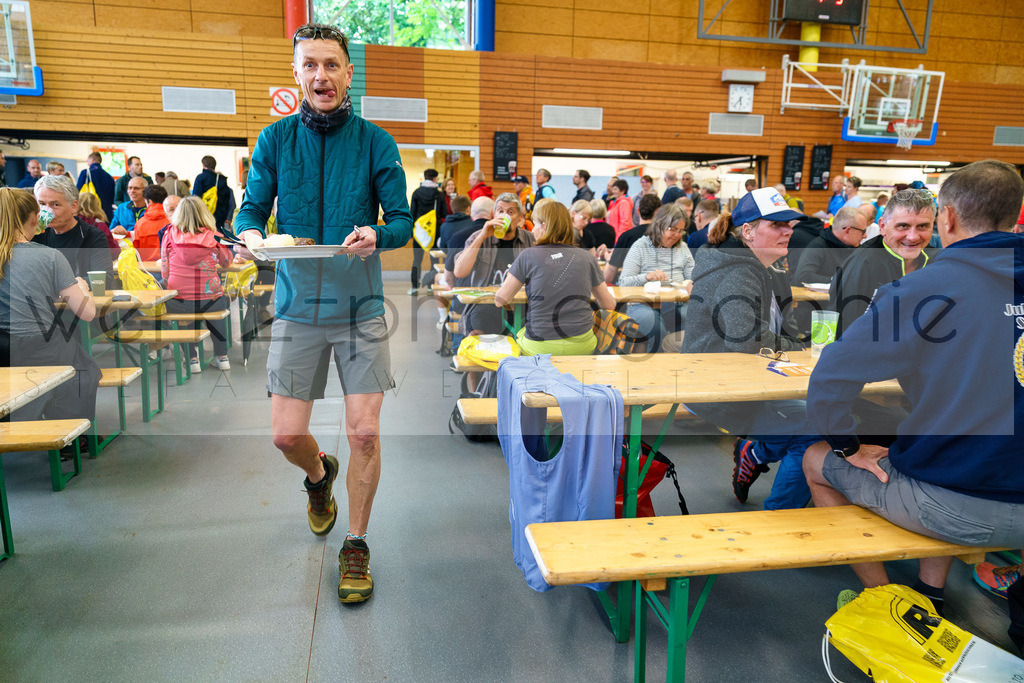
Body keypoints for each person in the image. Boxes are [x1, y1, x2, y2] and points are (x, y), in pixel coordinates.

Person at [232, 22, 413, 604]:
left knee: (363, 432)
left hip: (360, 305)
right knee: (287, 436)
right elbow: (249, 211)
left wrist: (378, 234)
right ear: (295, 74)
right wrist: (253, 235)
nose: (321, 75)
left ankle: (356, 543)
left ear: (348, 72)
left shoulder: (376, 142)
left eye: (332, 64)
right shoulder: (274, 140)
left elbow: (405, 222)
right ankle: (318, 477)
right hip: (297, 306)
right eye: (310, 65)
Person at [803, 159, 1024, 615]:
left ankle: (886, 605)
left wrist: (849, 448)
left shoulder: (924, 288)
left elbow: (830, 377)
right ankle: (930, 595)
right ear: (1015, 215)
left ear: (947, 218)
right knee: (933, 448)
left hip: (961, 503)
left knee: (816, 458)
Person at [682, 187, 816, 510]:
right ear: (748, 232)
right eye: (777, 225)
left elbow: (786, 327)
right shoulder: (739, 271)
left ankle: (754, 452)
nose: (789, 230)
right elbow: (748, 341)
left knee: (826, 418)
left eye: (790, 224)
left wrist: (800, 345)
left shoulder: (771, 268)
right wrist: (802, 351)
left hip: (755, 378)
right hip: (718, 389)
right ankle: (778, 519)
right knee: (815, 433)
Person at [1, 187, 100, 454]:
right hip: (39, 345)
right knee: (85, 369)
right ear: (35, 219)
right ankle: (72, 441)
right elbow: (87, 313)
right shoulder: (49, 257)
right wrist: (83, 288)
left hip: (3, 348)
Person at [495, 200, 614, 356]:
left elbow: (500, 300)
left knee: (518, 334)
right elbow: (609, 304)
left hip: (540, 346)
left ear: (544, 227)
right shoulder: (587, 258)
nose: (533, 231)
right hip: (582, 346)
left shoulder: (528, 256)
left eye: (535, 225)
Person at [829, 188, 936, 338]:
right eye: (903, 226)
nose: (913, 237)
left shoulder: (939, 262)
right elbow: (844, 332)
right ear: (883, 226)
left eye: (922, 226)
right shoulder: (860, 264)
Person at [161, 196, 233, 372]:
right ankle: (222, 356)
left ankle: (192, 358)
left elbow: (165, 271)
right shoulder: (215, 236)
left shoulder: (169, 234)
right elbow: (226, 262)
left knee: (184, 309)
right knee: (218, 302)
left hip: (179, 300)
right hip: (210, 300)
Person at [453, 192, 534, 336]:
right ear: (493, 214)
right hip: (487, 304)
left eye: (510, 212)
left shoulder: (530, 240)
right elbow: (459, 272)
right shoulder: (480, 237)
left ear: (520, 217)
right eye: (500, 211)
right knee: (476, 331)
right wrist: (482, 236)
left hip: (522, 304)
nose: (504, 216)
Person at [618, 203, 695, 352]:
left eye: (681, 231)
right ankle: (659, 370)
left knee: (693, 320)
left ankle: (686, 367)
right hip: (643, 305)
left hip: (677, 304)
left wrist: (690, 284)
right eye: (672, 229)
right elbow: (623, 283)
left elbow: (693, 278)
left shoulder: (683, 248)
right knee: (656, 327)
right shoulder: (640, 247)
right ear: (659, 225)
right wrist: (646, 277)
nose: (677, 235)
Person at [32, 175, 113, 282]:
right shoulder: (36, 236)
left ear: (74, 206)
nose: (46, 211)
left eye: (55, 204)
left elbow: (104, 280)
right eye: (42, 204)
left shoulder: (93, 236)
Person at [792, 206, 865, 285]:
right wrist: (838, 280)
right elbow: (803, 277)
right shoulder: (818, 246)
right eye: (863, 231)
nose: (865, 236)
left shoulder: (857, 248)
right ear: (847, 231)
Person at [603, 194, 661, 283]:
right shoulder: (665, 237)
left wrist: (609, 259)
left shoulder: (626, 237)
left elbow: (608, 277)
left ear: (638, 211)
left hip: (631, 289)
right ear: (658, 213)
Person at [408, 168, 448, 295]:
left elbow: (412, 213)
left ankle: (414, 287)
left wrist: (411, 233)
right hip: (434, 231)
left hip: (419, 232)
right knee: (434, 260)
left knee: (417, 260)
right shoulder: (439, 194)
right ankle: (431, 286)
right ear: (435, 178)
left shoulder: (417, 193)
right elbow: (444, 213)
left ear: (424, 177)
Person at [130, 184, 170, 262]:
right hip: (168, 267)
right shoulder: (171, 221)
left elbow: (136, 249)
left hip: (146, 268)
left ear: (149, 201)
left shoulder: (140, 223)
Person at [76, 191, 119, 259]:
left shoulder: (70, 223)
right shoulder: (100, 225)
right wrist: (116, 244)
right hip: (97, 263)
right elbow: (112, 251)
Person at [192, 156, 230, 230]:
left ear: (203, 165)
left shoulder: (201, 178)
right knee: (219, 236)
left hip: (205, 215)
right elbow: (227, 198)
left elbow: (195, 198)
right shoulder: (221, 179)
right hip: (220, 216)